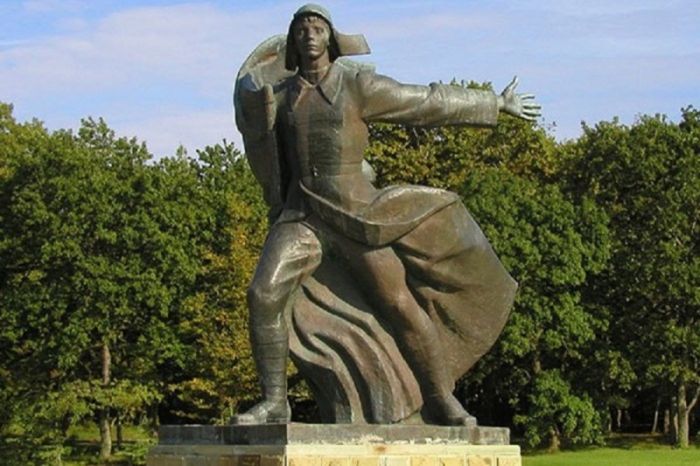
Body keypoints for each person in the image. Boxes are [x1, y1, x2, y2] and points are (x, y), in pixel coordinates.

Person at [232, 3, 540, 425]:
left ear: (331, 39)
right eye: (301, 29)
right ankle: (274, 402)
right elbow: (263, 150)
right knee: (262, 295)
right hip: (302, 218)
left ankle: (440, 398)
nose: (309, 36)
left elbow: (424, 102)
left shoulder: (357, 86)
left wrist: (495, 104)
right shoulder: (282, 96)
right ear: (292, 40)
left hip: (357, 217)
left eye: (317, 28)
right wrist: (252, 105)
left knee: (400, 305)